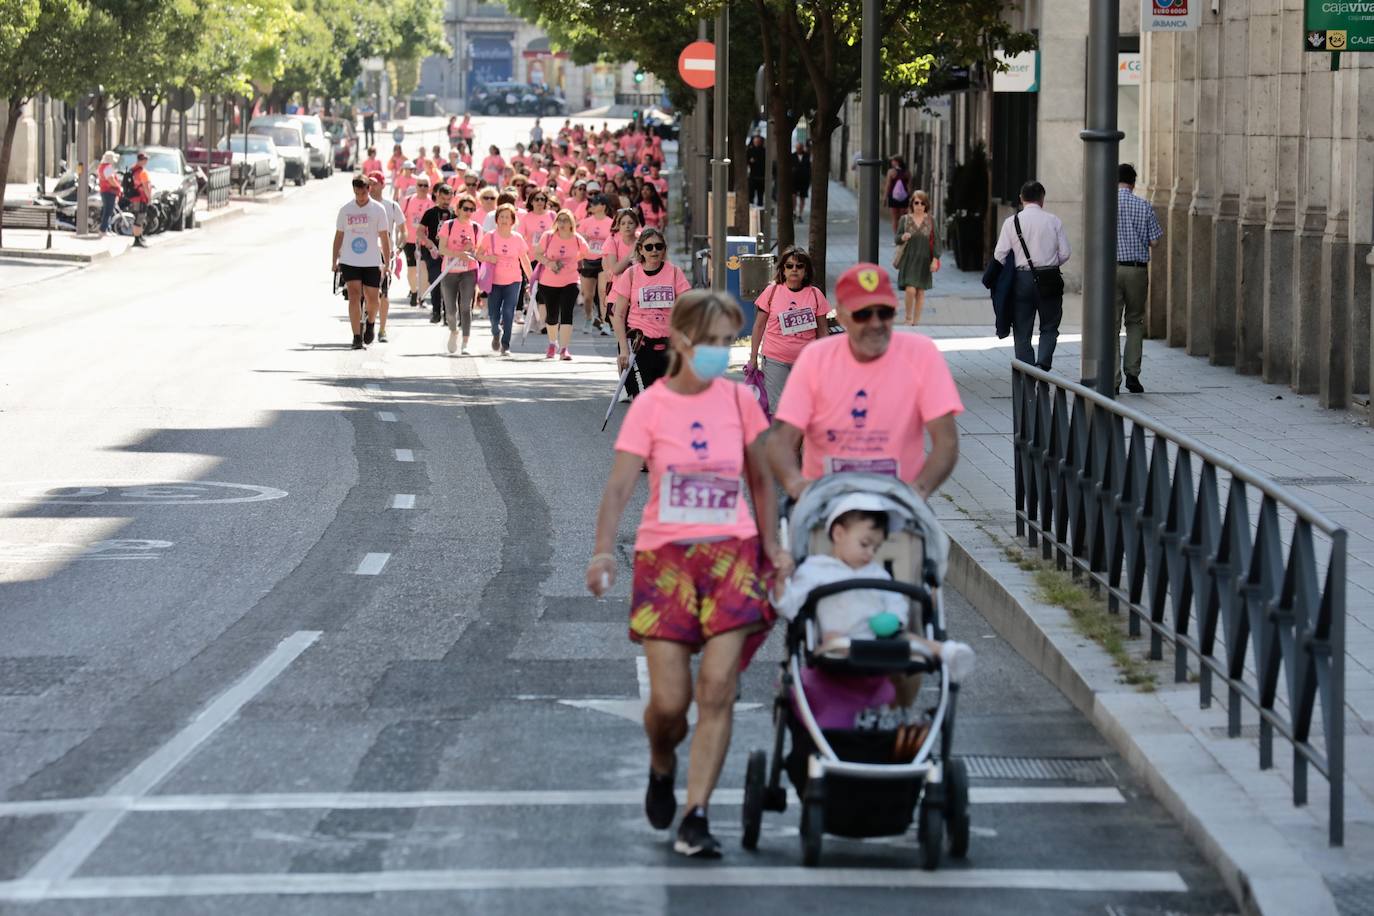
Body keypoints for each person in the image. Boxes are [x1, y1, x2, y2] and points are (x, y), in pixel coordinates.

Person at [587, 289, 790, 859]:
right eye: (711, 343)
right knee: (671, 706)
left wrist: (771, 546)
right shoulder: (652, 405)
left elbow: (760, 480)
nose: (720, 354)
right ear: (680, 340)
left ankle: (696, 812)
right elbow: (621, 485)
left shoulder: (740, 403)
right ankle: (661, 762)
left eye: (729, 343)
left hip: (731, 553)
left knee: (718, 690)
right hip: (666, 559)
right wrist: (604, 551)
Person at [767, 263, 962, 502]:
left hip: (897, 505)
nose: (876, 323)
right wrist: (798, 487)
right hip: (828, 505)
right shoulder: (815, 358)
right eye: (863, 314)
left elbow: (946, 441)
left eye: (885, 312)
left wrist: (917, 492)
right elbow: (781, 439)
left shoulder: (922, 354)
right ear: (841, 316)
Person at [774, 496, 975, 728]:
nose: (870, 553)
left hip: (879, 638)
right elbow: (789, 607)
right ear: (838, 535)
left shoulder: (877, 573)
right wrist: (781, 584)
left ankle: (947, 652)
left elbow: (895, 600)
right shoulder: (815, 570)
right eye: (864, 544)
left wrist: (894, 618)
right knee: (838, 643)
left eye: (876, 548)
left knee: (909, 639)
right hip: (837, 641)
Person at [992, 180, 1070, 371]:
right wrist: (1050, 262)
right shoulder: (1053, 221)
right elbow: (1066, 253)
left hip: (1022, 280)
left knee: (1022, 329)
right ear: (1042, 199)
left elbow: (999, 255)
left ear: (1021, 199)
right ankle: (1043, 362)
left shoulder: (1012, 222)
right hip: (1050, 278)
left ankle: (1027, 372)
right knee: (1050, 325)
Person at [746, 246, 832, 411]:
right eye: (789, 266)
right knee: (778, 410)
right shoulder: (772, 292)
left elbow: (823, 331)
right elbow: (758, 326)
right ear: (782, 270)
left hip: (805, 362)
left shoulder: (815, 295)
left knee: (803, 409)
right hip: (775, 361)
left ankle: (798, 438)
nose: (794, 270)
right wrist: (753, 357)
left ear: (805, 271)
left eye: (799, 266)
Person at [611, 228, 692, 397]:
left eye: (658, 246)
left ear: (664, 249)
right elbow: (618, 315)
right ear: (640, 250)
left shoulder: (675, 272)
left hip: (668, 346)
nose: (654, 250)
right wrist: (623, 349)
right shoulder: (631, 274)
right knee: (643, 400)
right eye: (649, 247)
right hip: (639, 346)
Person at [1115, 163, 1163, 394]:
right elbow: (1154, 241)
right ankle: (1132, 375)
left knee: (1111, 325)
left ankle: (1111, 378)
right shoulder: (1143, 205)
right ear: (1133, 183)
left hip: (1110, 270)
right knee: (1134, 321)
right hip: (1136, 269)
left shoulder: (1104, 204)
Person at [332, 176, 392, 350]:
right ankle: (356, 336)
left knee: (373, 299)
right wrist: (334, 259)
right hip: (350, 260)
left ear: (369, 190)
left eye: (364, 193)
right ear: (353, 191)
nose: (361, 196)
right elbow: (339, 236)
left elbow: (384, 237)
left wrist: (387, 263)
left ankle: (371, 323)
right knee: (354, 295)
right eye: (357, 193)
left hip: (371, 260)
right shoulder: (346, 210)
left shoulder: (378, 209)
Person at [476, 203, 533, 356]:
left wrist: (532, 279)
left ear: (512, 221)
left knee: (508, 312)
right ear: (496, 219)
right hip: (494, 281)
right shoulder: (490, 236)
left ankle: (505, 344)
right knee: (494, 314)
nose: (504, 220)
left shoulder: (518, 238)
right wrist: (488, 257)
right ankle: (496, 332)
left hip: (514, 280)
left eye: (507, 217)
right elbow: (478, 254)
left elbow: (525, 259)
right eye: (501, 217)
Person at [533, 209, 590, 360]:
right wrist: (549, 263)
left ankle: (564, 349)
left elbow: (587, 253)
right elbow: (537, 253)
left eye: (566, 220)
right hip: (548, 282)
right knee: (552, 316)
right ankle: (552, 343)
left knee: (567, 313)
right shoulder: (548, 236)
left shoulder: (577, 239)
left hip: (570, 281)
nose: (562, 223)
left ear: (572, 223)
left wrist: (573, 261)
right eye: (560, 220)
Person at [438, 192, 483, 355]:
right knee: (450, 311)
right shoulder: (448, 225)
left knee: (465, 307)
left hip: (469, 271)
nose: (468, 212)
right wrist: (459, 253)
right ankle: (453, 331)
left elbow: (478, 252)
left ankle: (465, 341)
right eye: (465, 208)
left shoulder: (477, 228)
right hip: (449, 271)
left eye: (472, 209)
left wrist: (472, 249)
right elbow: (442, 249)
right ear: (458, 209)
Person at [368, 171, 406, 344]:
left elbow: (403, 230)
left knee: (383, 293)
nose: (372, 187)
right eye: (369, 183)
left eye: (375, 183)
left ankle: (382, 329)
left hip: (385, 254)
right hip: (365, 253)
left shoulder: (391, 206)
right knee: (367, 293)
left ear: (383, 185)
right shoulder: (361, 205)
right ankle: (365, 323)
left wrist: (398, 248)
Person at [895, 190, 939, 326]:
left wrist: (935, 259)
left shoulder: (931, 220)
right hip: (909, 259)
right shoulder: (905, 219)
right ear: (912, 204)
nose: (919, 206)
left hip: (924, 260)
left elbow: (937, 241)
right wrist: (902, 237)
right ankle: (908, 317)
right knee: (910, 289)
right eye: (916, 202)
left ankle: (916, 320)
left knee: (920, 291)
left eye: (922, 203)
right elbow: (897, 238)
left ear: (926, 205)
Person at [416, 182, 454, 324]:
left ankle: (447, 314)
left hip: (448, 254)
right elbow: (420, 231)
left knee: (448, 284)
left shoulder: (454, 214)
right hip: (433, 253)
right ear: (437, 196)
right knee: (436, 280)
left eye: (448, 199)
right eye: (443, 199)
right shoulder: (430, 213)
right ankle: (436, 311)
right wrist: (429, 243)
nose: (445, 202)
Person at [577, 193, 613, 333]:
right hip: (587, 260)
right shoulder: (586, 222)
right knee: (587, 296)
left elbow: (614, 241)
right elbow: (577, 239)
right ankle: (588, 318)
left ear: (603, 206)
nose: (592, 205)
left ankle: (605, 323)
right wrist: (583, 238)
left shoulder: (611, 222)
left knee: (603, 293)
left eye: (595, 203)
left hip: (603, 261)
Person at [401, 174, 434, 307]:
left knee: (424, 270)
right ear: (416, 186)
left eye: (425, 185)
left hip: (425, 240)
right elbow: (401, 220)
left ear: (429, 187)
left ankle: (422, 296)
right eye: (420, 185)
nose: (422, 188)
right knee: (412, 270)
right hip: (410, 240)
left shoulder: (432, 202)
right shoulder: (408, 200)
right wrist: (400, 236)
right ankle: (414, 291)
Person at [126, 151, 153, 248]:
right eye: (145, 160)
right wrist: (149, 198)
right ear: (142, 160)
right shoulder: (143, 172)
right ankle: (137, 239)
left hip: (134, 197)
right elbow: (145, 186)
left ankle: (139, 237)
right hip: (141, 197)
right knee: (139, 218)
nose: (147, 161)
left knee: (138, 217)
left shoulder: (133, 169)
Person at [883, 156, 911, 235]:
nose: (891, 163)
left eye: (893, 161)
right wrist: (910, 198)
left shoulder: (891, 172)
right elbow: (909, 187)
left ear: (897, 162)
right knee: (903, 218)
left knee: (895, 218)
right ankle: (902, 235)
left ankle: (896, 236)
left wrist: (885, 198)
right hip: (904, 198)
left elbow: (888, 185)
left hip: (893, 197)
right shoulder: (907, 172)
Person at [97, 151, 119, 235]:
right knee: (108, 211)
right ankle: (103, 230)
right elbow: (111, 180)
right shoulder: (107, 167)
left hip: (104, 191)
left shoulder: (101, 167)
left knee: (107, 210)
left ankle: (106, 229)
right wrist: (118, 186)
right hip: (109, 191)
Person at [791, 142, 811, 220]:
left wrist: (809, 180)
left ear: (803, 148)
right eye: (798, 148)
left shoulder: (807, 156)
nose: (799, 149)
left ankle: (800, 214)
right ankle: (794, 211)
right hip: (794, 180)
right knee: (793, 196)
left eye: (800, 148)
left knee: (802, 197)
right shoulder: (792, 156)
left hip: (804, 180)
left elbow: (809, 168)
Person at [745, 134, 766, 207]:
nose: (756, 143)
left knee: (760, 196)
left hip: (761, 177)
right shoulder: (750, 150)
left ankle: (760, 209)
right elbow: (746, 161)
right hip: (752, 176)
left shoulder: (764, 151)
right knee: (751, 195)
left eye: (758, 142)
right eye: (755, 142)